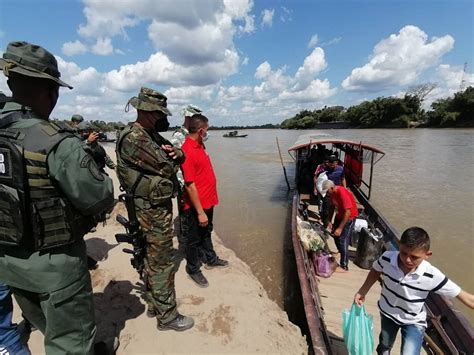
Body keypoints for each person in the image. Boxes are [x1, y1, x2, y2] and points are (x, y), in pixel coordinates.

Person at [0, 41, 115, 353]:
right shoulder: (55, 142)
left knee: (46, 325)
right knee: (70, 342)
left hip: (10, 263)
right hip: (56, 268)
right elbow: (100, 197)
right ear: (50, 92)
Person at [115, 87, 194, 331]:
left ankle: (154, 302)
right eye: (160, 114)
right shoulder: (136, 137)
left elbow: (176, 155)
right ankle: (168, 316)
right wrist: (174, 158)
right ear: (148, 112)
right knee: (161, 261)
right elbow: (165, 167)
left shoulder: (149, 135)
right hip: (150, 210)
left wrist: (177, 153)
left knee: (152, 258)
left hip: (153, 207)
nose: (163, 118)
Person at [354, 227, 474, 354]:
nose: (407, 260)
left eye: (414, 257)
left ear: (427, 255)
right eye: (404, 253)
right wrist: (363, 291)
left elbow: (466, 297)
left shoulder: (432, 275)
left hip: (413, 320)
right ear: (399, 245)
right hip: (388, 312)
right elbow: (376, 270)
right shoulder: (387, 258)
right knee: (384, 346)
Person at [181, 114, 229, 288]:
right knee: (193, 238)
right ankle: (193, 268)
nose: (208, 132)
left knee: (207, 230)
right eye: (207, 130)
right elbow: (189, 185)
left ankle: (210, 258)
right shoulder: (187, 150)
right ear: (201, 130)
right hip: (196, 205)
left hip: (208, 200)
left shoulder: (200, 145)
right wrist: (200, 212)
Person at [320, 180, 358, 272]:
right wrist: (329, 220)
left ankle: (344, 265)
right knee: (334, 235)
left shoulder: (341, 192)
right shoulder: (332, 194)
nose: (327, 194)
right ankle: (340, 251)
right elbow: (332, 206)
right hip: (339, 215)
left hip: (349, 217)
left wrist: (340, 228)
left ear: (332, 188)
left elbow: (348, 212)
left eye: (327, 191)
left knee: (342, 240)